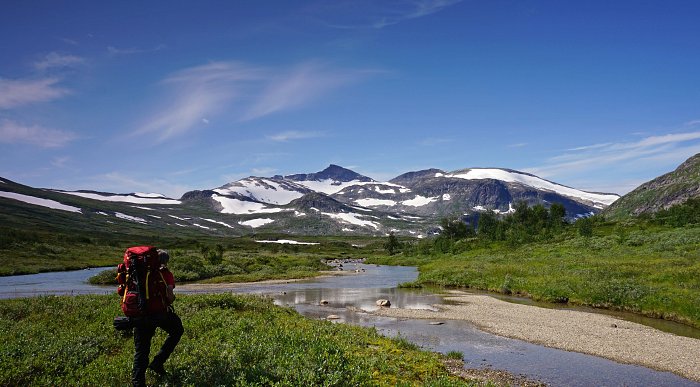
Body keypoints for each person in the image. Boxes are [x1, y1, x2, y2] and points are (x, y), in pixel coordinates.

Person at [132, 249, 184, 387]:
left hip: (139, 314)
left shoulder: (137, 273)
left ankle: (138, 383)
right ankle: (158, 362)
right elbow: (169, 297)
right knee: (177, 330)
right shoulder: (165, 274)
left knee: (141, 351)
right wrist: (171, 298)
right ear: (166, 261)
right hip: (160, 313)